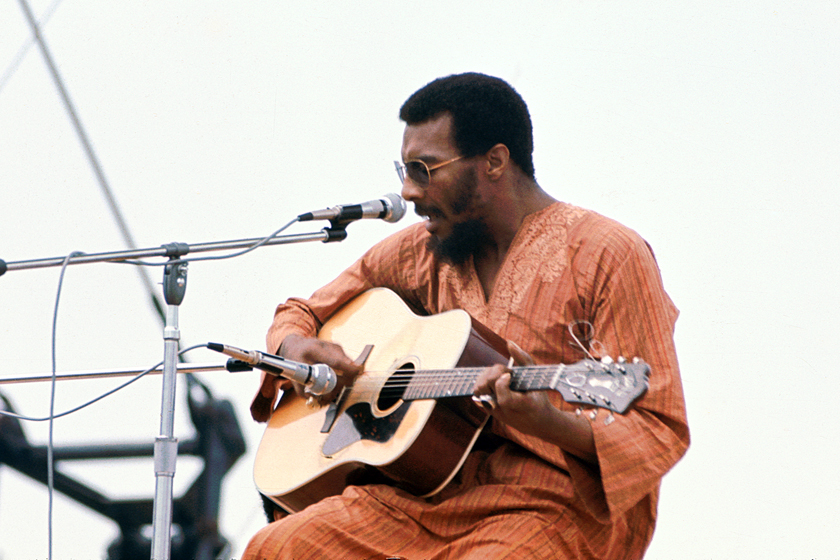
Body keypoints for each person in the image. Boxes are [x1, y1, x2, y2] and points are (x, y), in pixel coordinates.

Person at [243, 72, 689, 560]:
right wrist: (296, 346)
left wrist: (546, 421)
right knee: (278, 547)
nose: (409, 192)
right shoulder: (424, 250)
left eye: (425, 169)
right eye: (404, 170)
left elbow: (656, 426)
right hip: (424, 496)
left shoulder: (607, 253)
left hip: (552, 507)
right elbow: (303, 311)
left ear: (495, 161)